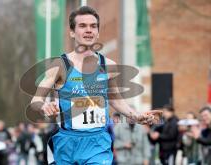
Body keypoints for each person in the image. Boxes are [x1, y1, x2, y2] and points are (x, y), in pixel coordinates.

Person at [31, 6, 162, 164]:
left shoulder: (108, 65)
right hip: (67, 144)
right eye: (82, 26)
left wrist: (136, 116)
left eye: (93, 26)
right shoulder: (59, 66)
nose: (89, 30)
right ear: (72, 32)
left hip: (98, 143)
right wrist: (44, 107)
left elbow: (115, 100)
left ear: (98, 32)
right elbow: (36, 101)